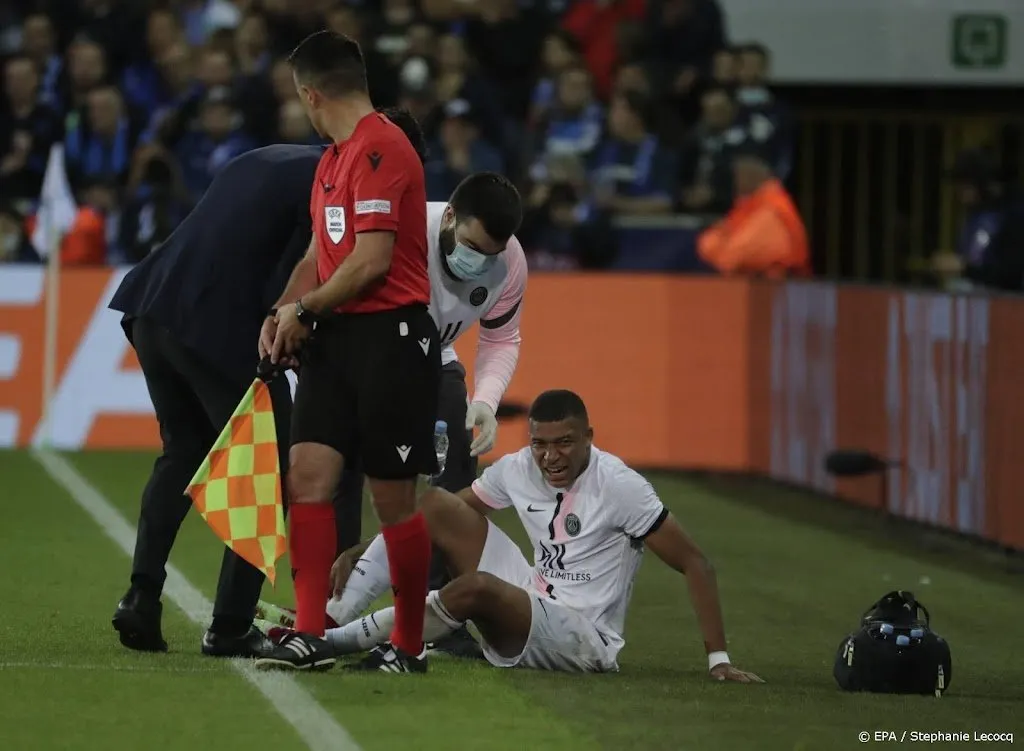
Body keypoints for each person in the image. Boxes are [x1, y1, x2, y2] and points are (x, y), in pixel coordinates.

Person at [107, 108, 427, 658]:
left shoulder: (269, 156)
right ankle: (230, 623)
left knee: (182, 452)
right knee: (279, 469)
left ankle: (141, 595)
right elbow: (298, 280)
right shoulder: (340, 178)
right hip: (219, 326)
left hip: (152, 305)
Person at [294, 390, 764, 680]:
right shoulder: (520, 467)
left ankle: (342, 644)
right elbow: (441, 512)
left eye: (565, 443)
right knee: (431, 502)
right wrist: (360, 549)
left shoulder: (620, 486)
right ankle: (327, 619)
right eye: (540, 444)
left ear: (589, 438)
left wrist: (718, 660)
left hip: (584, 638)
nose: (550, 457)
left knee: (475, 588)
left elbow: (695, 562)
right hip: (532, 595)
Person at [257, 171, 528, 659]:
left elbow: (501, 337)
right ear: (448, 217)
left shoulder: (508, 263)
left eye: (490, 253)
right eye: (471, 245)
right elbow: (325, 266)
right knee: (333, 480)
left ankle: (445, 616)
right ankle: (320, 613)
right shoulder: (402, 233)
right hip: (356, 356)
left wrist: (486, 400)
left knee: (450, 482)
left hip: (432, 362)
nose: (479, 261)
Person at [254, 31, 439, 674]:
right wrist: (281, 313)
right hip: (335, 337)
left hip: (391, 337)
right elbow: (318, 256)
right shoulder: (332, 158)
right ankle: (310, 632)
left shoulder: (383, 146)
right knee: (306, 477)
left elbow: (372, 262)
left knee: (392, 499)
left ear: (309, 93)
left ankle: (410, 644)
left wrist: (305, 310)